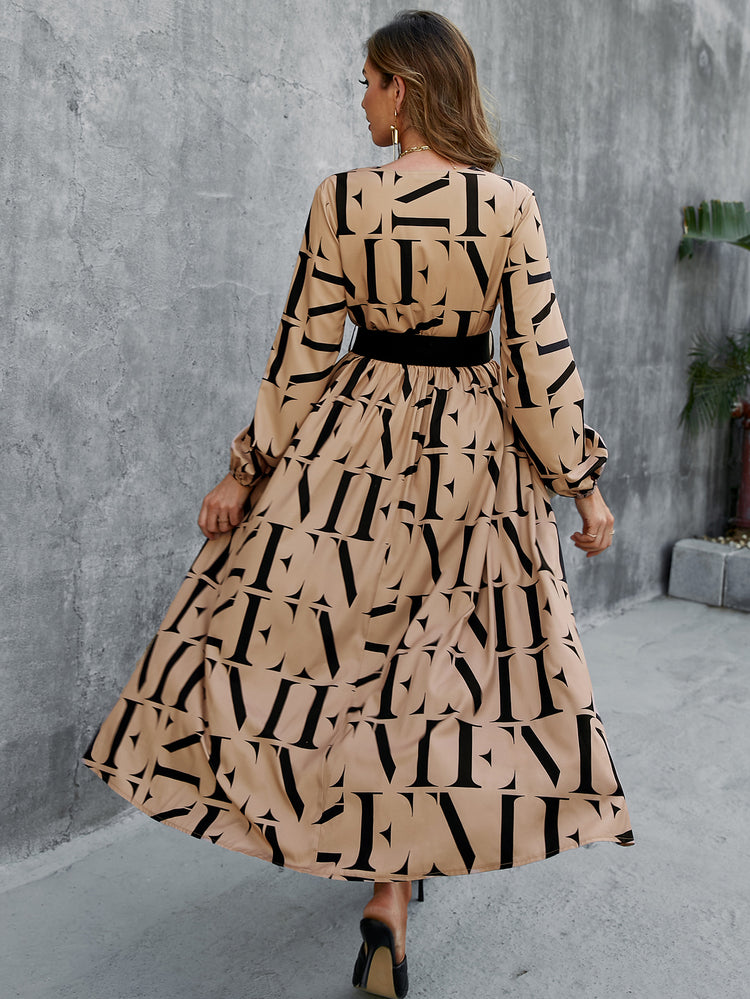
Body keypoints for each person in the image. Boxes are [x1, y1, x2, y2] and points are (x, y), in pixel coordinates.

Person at [83, 10, 633, 998]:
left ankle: (361, 866)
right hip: (471, 459)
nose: (362, 102)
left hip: (352, 448)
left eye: (369, 84)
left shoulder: (343, 199)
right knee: (440, 675)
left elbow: (303, 347)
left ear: (404, 88)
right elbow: (539, 361)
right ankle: (392, 892)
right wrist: (580, 484)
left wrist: (248, 468)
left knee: (332, 654)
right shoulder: (509, 205)